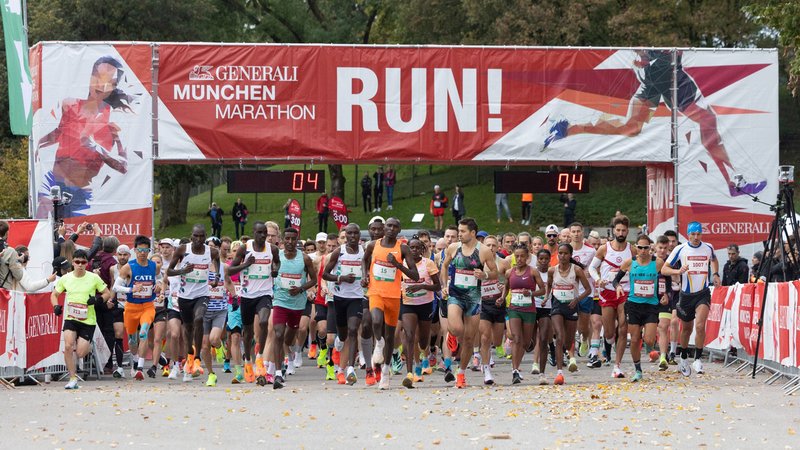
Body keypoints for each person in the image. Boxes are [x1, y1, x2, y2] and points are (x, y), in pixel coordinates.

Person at [543, 50, 766, 197]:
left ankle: (567, 128)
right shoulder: (654, 55)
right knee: (705, 121)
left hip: (656, 75)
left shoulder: (649, 53)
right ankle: (734, 182)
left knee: (632, 128)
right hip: (664, 76)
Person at [35, 56, 133, 218]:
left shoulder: (113, 119)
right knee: (42, 227)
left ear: (114, 87)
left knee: (72, 232)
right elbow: (59, 132)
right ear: (90, 76)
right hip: (53, 184)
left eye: (110, 82)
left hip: (80, 193)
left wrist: (93, 146)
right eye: (98, 77)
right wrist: (39, 144)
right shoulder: (69, 105)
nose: (102, 85)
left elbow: (123, 166)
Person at [440, 217, 498, 388]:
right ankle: (451, 334)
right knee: (457, 329)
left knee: (469, 339)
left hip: (473, 298)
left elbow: (495, 272)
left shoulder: (484, 251)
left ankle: (461, 373)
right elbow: (444, 266)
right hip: (455, 294)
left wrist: (485, 275)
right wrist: (444, 286)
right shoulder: (453, 248)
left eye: (463, 231)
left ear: (472, 233)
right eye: (459, 231)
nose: (459, 234)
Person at [363, 217, 419, 389]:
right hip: (376, 292)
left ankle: (386, 372)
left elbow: (415, 275)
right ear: (384, 227)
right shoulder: (373, 245)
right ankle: (378, 343)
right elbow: (364, 260)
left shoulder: (403, 248)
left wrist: (397, 264)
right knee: (376, 321)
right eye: (389, 225)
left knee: (390, 337)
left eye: (395, 226)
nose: (391, 229)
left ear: (399, 230)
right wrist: (365, 275)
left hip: (393, 296)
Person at [662, 221, 720, 377]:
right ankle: (683, 357)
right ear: (688, 235)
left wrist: (715, 274)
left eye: (699, 234)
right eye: (693, 234)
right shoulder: (680, 249)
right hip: (686, 295)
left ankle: (698, 359)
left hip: (703, 293)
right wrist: (678, 271)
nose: (696, 237)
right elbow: (664, 269)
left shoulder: (708, 247)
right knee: (687, 329)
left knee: (700, 325)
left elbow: (714, 259)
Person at [226, 221, 280, 385]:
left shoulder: (272, 249)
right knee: (248, 332)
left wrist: (275, 269)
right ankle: (248, 361)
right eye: (259, 232)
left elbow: (277, 262)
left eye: (265, 233)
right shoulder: (245, 248)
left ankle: (260, 357)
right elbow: (230, 270)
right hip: (247, 295)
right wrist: (246, 264)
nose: (263, 236)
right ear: (253, 233)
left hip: (265, 294)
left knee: (264, 321)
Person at [51, 249, 113, 389]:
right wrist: (55, 306)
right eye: (77, 262)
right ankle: (72, 378)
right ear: (73, 263)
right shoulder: (66, 278)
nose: (80, 265)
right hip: (71, 318)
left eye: (83, 262)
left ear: (86, 263)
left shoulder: (94, 278)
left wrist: (97, 300)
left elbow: (107, 293)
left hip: (87, 320)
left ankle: (88, 345)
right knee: (68, 346)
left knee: (80, 353)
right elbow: (54, 294)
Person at [166, 224, 221, 382]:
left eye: (201, 236)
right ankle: (189, 356)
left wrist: (217, 277)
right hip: (185, 297)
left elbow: (217, 261)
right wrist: (183, 271)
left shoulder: (211, 251)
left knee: (199, 319)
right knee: (188, 329)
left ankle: (197, 358)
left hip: (202, 295)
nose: (198, 239)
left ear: (205, 237)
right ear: (192, 236)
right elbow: (169, 271)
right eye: (196, 236)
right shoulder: (183, 250)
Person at [614, 234, 667, 382]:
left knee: (649, 339)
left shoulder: (658, 262)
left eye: (646, 248)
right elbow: (616, 280)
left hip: (651, 305)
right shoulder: (629, 262)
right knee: (635, 339)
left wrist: (665, 293)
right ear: (635, 247)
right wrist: (618, 287)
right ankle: (638, 370)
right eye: (640, 248)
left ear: (650, 248)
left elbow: (666, 277)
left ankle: (650, 348)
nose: (643, 251)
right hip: (633, 305)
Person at [589, 215, 634, 378]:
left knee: (623, 328)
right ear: (614, 230)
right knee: (609, 333)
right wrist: (598, 280)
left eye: (624, 230)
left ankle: (617, 366)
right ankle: (608, 343)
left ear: (627, 231)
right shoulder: (604, 249)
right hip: (607, 291)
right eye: (618, 230)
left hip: (625, 292)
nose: (621, 233)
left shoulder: (632, 250)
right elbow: (592, 268)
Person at [272, 228, 317, 389]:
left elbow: (314, 280)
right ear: (283, 240)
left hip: (297, 304)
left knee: (289, 338)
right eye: (287, 239)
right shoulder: (277, 256)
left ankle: (288, 354)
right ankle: (278, 373)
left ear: (297, 240)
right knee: (278, 334)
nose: (290, 242)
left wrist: (301, 289)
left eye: (293, 239)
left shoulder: (304, 258)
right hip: (280, 301)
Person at [323, 223, 366, 385]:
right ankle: (339, 343)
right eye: (350, 233)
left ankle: (350, 369)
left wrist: (366, 278)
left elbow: (369, 270)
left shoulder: (364, 252)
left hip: (357, 298)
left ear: (359, 235)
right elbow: (325, 274)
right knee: (342, 335)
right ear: (345, 236)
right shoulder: (338, 252)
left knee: (353, 330)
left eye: (355, 233)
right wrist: (341, 278)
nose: (353, 236)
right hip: (339, 298)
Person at [112, 235, 160, 381]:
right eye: (140, 250)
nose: (142, 253)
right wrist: (131, 289)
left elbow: (158, 280)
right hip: (131, 307)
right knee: (132, 341)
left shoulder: (154, 266)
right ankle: (134, 360)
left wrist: (158, 286)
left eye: (146, 250)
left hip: (148, 306)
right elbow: (115, 287)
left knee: (143, 333)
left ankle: (140, 368)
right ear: (135, 250)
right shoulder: (128, 267)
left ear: (149, 251)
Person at [398, 237, 441, 388]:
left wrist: (422, 286)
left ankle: (425, 354)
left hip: (425, 305)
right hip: (408, 305)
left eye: (417, 248)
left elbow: (437, 286)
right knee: (410, 336)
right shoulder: (402, 264)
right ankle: (411, 372)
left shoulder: (428, 263)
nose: (414, 250)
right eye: (412, 247)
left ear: (422, 250)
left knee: (423, 340)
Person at [548, 243, 591, 385]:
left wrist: (577, 299)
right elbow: (548, 285)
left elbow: (588, 290)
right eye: (560, 253)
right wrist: (546, 298)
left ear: (570, 255)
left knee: (567, 342)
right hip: (557, 306)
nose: (562, 256)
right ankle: (559, 373)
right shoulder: (552, 270)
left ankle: (566, 351)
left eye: (565, 253)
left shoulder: (576, 270)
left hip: (571, 306)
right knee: (559, 337)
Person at [504, 243, 545, 384]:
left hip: (529, 310)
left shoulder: (533, 272)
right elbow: (506, 288)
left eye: (522, 256)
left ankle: (517, 366)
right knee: (516, 338)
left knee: (526, 343)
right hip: (514, 309)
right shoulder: (509, 272)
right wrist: (502, 298)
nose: (519, 259)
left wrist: (531, 293)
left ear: (527, 257)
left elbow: (543, 290)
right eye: (517, 256)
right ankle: (515, 370)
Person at [0, 221, 56, 291]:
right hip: (3, 291)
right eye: (27, 257)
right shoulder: (10, 252)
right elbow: (20, 277)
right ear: (6, 233)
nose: (28, 259)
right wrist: (18, 262)